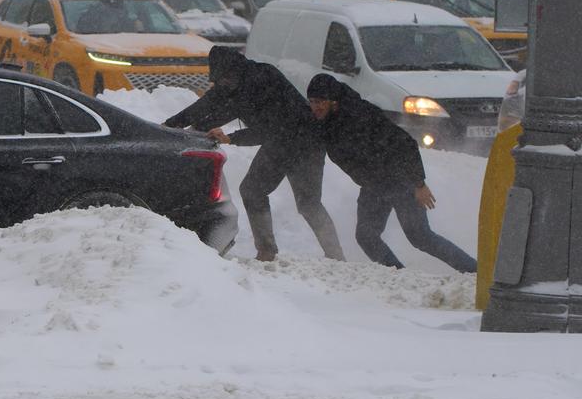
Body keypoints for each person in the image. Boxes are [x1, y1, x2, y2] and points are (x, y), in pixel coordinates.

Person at [163, 46, 345, 262]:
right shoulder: (231, 82)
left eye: (225, 80)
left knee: (308, 202)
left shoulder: (262, 79)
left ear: (235, 71)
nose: (222, 84)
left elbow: (266, 129)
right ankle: (266, 250)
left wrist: (230, 137)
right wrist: (170, 126)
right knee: (252, 191)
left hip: (305, 141)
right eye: (219, 81)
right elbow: (207, 105)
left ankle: (336, 255)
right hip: (278, 143)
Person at [305, 73, 477, 273]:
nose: (315, 107)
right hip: (374, 185)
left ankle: (474, 270)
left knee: (420, 236)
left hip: (401, 181)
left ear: (333, 102)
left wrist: (419, 184)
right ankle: (398, 275)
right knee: (366, 236)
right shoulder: (324, 123)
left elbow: (406, 144)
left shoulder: (362, 115)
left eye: (320, 102)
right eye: (312, 102)